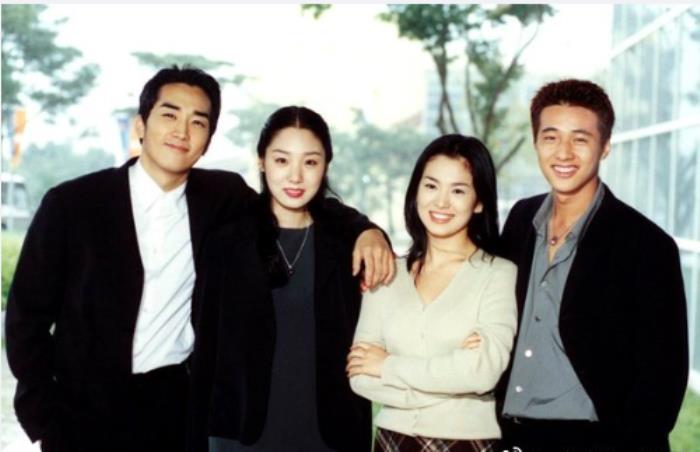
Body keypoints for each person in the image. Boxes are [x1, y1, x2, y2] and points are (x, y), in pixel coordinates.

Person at [5, 67, 393, 452]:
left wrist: (365, 229)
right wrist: (44, 418)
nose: (182, 131)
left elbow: (299, 201)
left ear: (208, 140)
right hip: (84, 413)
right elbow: (26, 319)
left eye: (198, 122)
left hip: (173, 409)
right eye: (169, 115)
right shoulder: (73, 204)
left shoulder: (221, 197)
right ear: (141, 124)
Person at [497, 79, 688, 451]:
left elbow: (662, 381)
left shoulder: (648, 245)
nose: (563, 153)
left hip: (595, 439)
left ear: (605, 146)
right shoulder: (520, 219)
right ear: (536, 143)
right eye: (551, 137)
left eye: (580, 139)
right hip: (512, 436)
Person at [188, 106, 375, 452]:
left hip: (330, 433)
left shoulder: (348, 244)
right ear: (261, 161)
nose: (295, 177)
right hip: (242, 434)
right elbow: (205, 350)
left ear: (326, 165)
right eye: (281, 160)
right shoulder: (226, 242)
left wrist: (369, 230)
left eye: (310, 162)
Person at [347, 134, 518, 452]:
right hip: (391, 440)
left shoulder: (498, 274)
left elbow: (482, 373)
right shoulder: (387, 273)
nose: (441, 202)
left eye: (458, 191)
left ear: (479, 201)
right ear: (416, 191)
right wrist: (454, 381)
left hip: (468, 442)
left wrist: (387, 366)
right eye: (431, 186)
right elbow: (359, 375)